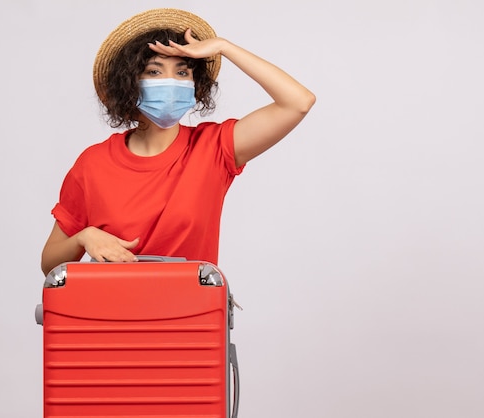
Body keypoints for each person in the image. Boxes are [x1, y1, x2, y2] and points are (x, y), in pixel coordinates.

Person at [40, 8, 315, 276]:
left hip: (190, 317)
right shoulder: (93, 164)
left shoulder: (215, 148)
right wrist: (83, 237)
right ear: (129, 83)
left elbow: (298, 102)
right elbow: (49, 264)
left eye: (182, 72)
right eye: (154, 71)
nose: (171, 81)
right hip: (110, 317)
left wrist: (224, 47)